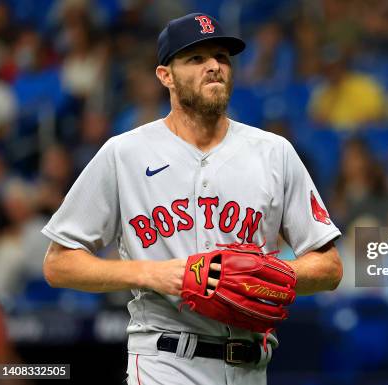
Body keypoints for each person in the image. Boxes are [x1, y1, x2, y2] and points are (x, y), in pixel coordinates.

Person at [41, 13, 343, 385]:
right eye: (196, 58)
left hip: (252, 366)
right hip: (164, 360)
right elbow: (59, 264)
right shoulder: (125, 153)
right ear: (165, 76)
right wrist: (154, 274)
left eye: (221, 57)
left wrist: (268, 275)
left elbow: (329, 267)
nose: (214, 66)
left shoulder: (274, 152)